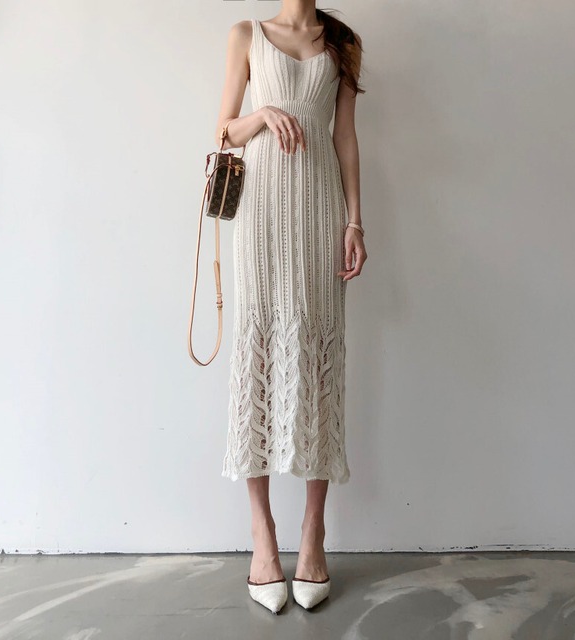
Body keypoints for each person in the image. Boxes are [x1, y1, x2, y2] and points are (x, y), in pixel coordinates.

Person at [215, 1, 366, 613]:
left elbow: (344, 137)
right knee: (257, 360)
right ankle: (262, 535)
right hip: (260, 213)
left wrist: (355, 221)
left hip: (320, 211)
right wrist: (261, 115)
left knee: (318, 359)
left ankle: (312, 531)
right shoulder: (247, 35)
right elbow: (222, 131)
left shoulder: (343, 41)